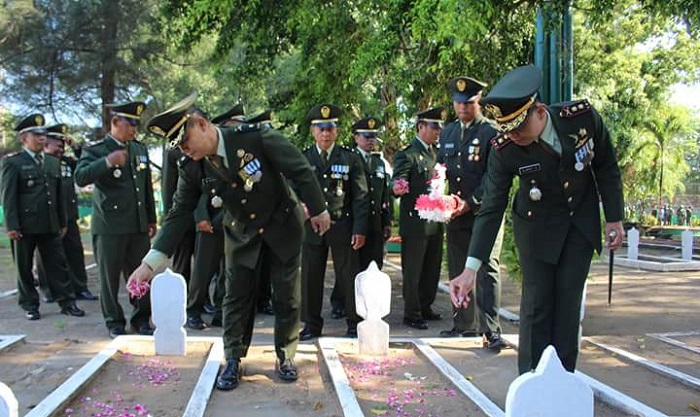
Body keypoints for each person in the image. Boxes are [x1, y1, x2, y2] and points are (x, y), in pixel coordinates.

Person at [127, 93, 330, 391]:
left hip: (281, 225)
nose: (185, 150)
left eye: (186, 141)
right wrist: (149, 264)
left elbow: (298, 168)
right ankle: (233, 358)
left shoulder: (255, 137)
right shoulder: (192, 166)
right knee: (235, 298)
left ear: (201, 124)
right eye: (179, 147)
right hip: (241, 233)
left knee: (286, 296)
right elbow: (178, 213)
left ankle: (285, 355)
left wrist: (320, 209)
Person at [449, 65, 624, 374]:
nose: (513, 135)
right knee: (536, 306)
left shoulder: (581, 118)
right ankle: (530, 383)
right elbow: (491, 207)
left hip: (578, 227)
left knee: (568, 308)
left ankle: (562, 381)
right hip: (536, 229)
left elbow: (607, 166)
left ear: (540, 111)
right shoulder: (505, 149)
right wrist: (470, 270)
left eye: (518, 127)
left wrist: (614, 218)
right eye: (507, 129)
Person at [74, 101, 157, 338]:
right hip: (110, 226)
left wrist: (150, 219)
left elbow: (146, 188)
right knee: (109, 278)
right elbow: (80, 177)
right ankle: (114, 321)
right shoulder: (97, 150)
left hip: (137, 225)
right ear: (115, 122)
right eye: (130, 123)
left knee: (140, 275)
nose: (134, 129)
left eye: (136, 124)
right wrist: (108, 162)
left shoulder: (139, 149)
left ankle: (141, 318)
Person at [437, 77, 506, 350]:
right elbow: (442, 170)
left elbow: (494, 176)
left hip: (483, 211)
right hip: (455, 213)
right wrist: (440, 196)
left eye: (469, 103)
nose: (463, 107)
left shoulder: (491, 132)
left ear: (479, 102)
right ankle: (462, 324)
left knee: (487, 267)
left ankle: (490, 329)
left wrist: (471, 201)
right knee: (457, 265)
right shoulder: (448, 133)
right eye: (458, 103)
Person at [1, 114, 85, 320]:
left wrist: (62, 221)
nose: (41, 138)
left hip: (50, 224)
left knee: (58, 264)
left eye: (42, 135)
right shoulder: (14, 163)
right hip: (25, 226)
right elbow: (8, 196)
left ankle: (66, 302)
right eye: (36, 135)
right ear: (23, 138)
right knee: (24, 267)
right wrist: (12, 225)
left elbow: (58, 196)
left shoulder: (51, 162)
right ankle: (30, 304)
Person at [298, 104, 369, 340]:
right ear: (313, 131)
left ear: (337, 131)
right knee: (310, 276)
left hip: (342, 224)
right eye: (321, 129)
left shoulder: (350, 158)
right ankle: (311, 324)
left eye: (330, 128)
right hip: (312, 227)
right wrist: (302, 207)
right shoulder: (303, 158)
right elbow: (292, 189)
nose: (325, 134)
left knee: (348, 276)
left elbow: (360, 196)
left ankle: (353, 322)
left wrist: (360, 229)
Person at [391, 107, 446, 330]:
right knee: (413, 270)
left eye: (439, 127)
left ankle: (425, 305)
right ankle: (412, 312)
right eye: (434, 126)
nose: (438, 131)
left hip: (435, 220)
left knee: (432, 268)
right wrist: (398, 187)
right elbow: (399, 180)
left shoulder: (438, 153)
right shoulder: (408, 154)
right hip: (415, 222)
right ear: (420, 127)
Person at [36, 124, 98, 302]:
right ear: (47, 143)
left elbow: (86, 163)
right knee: (46, 255)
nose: (61, 147)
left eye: (63, 144)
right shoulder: (41, 161)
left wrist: (76, 147)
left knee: (75, 252)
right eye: (58, 143)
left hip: (69, 216)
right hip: (48, 217)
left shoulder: (67, 162)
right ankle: (49, 290)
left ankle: (80, 287)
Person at [352, 116, 392, 270]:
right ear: (356, 138)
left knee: (375, 267)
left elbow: (384, 195)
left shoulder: (379, 163)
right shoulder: (350, 159)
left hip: (376, 225)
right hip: (356, 225)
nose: (371, 140)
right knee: (355, 269)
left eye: (374, 137)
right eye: (367, 137)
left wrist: (387, 221)